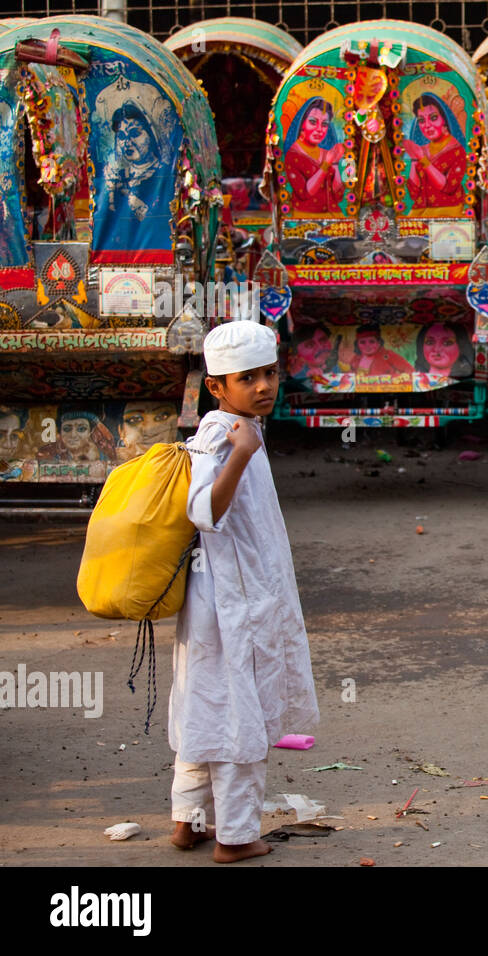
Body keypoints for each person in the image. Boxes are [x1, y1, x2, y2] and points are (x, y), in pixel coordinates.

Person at [169, 320, 319, 863]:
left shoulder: (236, 426)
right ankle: (235, 836)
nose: (263, 387)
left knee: (204, 707)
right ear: (216, 386)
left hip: (228, 600)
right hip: (232, 604)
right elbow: (205, 511)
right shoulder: (224, 437)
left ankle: (188, 823)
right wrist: (241, 453)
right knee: (238, 715)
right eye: (246, 378)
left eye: (270, 374)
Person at [405, 93, 468, 218]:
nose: (427, 125)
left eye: (433, 118)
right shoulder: (421, 149)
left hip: (448, 213)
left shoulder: (457, 150)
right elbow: (414, 193)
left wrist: (423, 160)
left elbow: (448, 187)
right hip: (420, 214)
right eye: (422, 120)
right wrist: (414, 159)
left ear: (444, 119)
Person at [283, 97, 346, 216]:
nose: (319, 129)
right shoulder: (292, 155)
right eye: (312, 122)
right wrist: (326, 164)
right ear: (302, 123)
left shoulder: (326, 153)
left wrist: (335, 164)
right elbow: (305, 193)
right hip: (305, 222)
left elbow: (338, 196)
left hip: (335, 221)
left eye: (324, 124)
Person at [341, 324, 413, 377]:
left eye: (372, 341)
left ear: (379, 343)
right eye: (362, 342)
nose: (367, 346)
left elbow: (410, 370)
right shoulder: (356, 359)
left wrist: (395, 378)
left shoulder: (388, 355)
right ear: (357, 344)